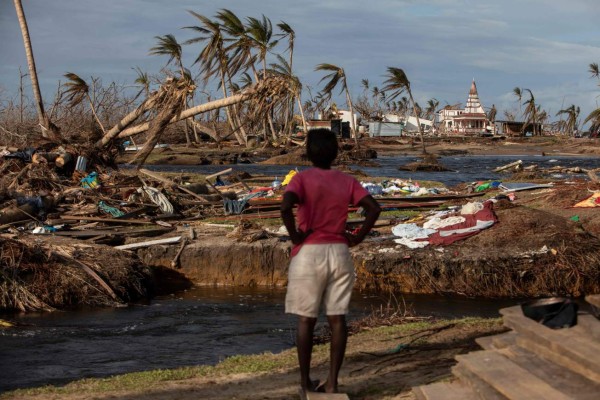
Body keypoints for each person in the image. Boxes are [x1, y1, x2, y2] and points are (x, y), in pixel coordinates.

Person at [280, 128, 381, 394]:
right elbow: (374, 208)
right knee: (337, 320)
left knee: (306, 320)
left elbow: (285, 206)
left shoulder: (301, 179)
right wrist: (357, 237)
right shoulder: (346, 181)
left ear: (307, 153)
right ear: (336, 153)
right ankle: (333, 383)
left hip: (308, 253)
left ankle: (305, 384)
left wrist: (296, 235)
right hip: (338, 251)